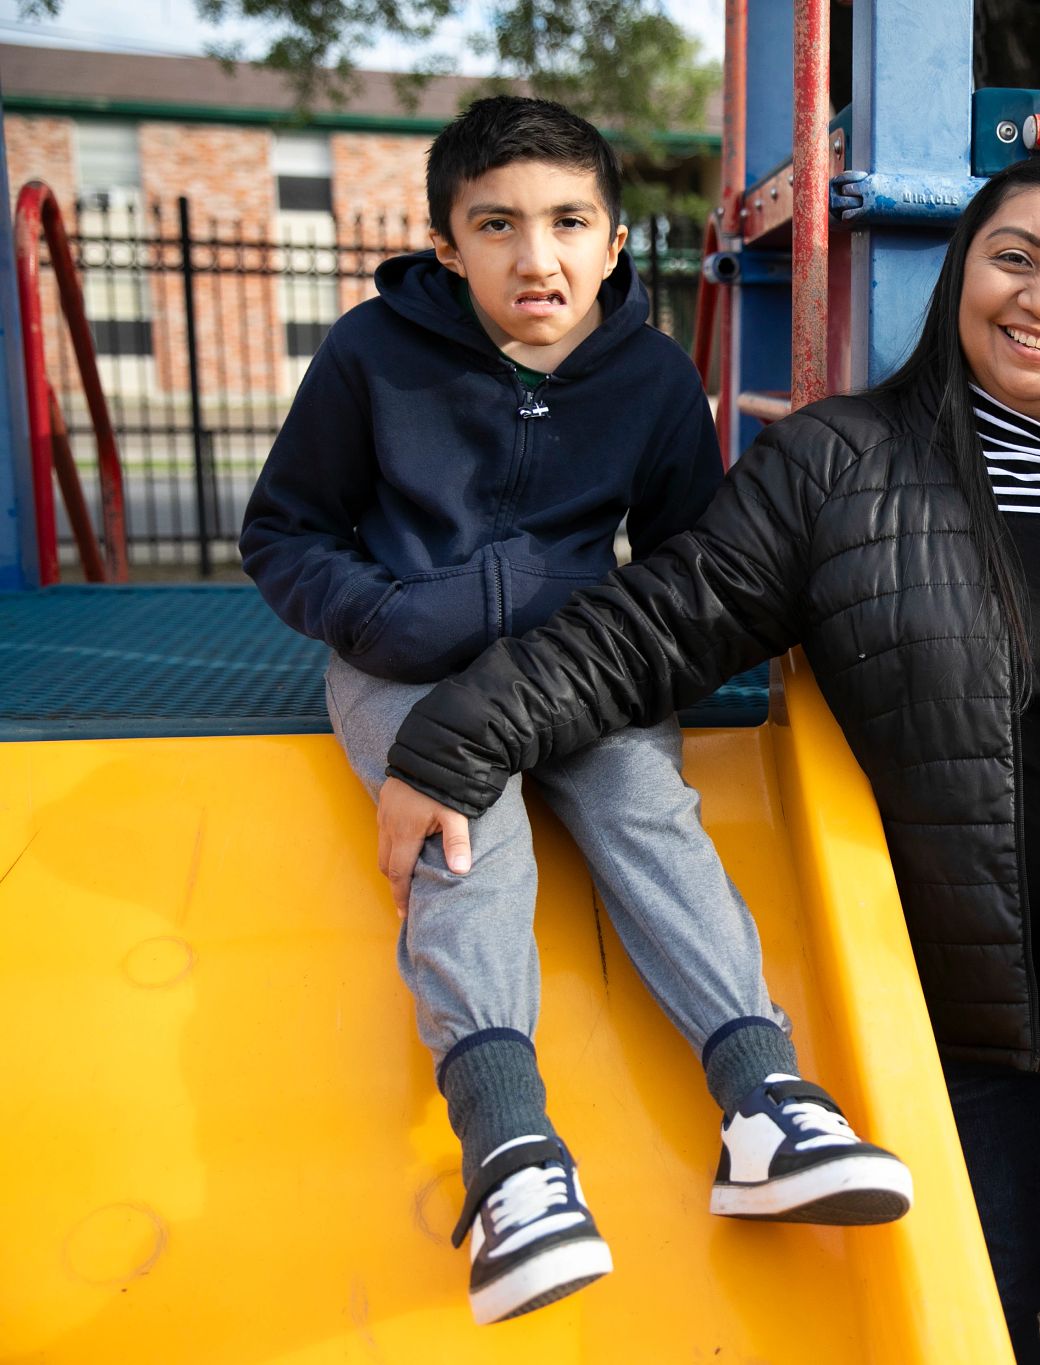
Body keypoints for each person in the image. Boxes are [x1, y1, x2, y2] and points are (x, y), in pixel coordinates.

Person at [371, 154, 1040, 1363]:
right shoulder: (843, 465)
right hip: (951, 1018)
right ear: (960, 278)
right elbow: (660, 624)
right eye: (1013, 256)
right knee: (970, 1307)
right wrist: (458, 740)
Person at [238, 95, 909, 1328]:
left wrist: (635, 663)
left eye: (566, 223)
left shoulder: (649, 377)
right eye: (494, 225)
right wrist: (380, 616)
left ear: (612, 241)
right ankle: (512, 1163)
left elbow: (684, 561)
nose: (533, 257)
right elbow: (283, 531)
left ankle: (764, 1106)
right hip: (406, 667)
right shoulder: (370, 356)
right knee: (465, 840)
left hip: (574, 665)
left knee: (646, 805)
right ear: (446, 243)